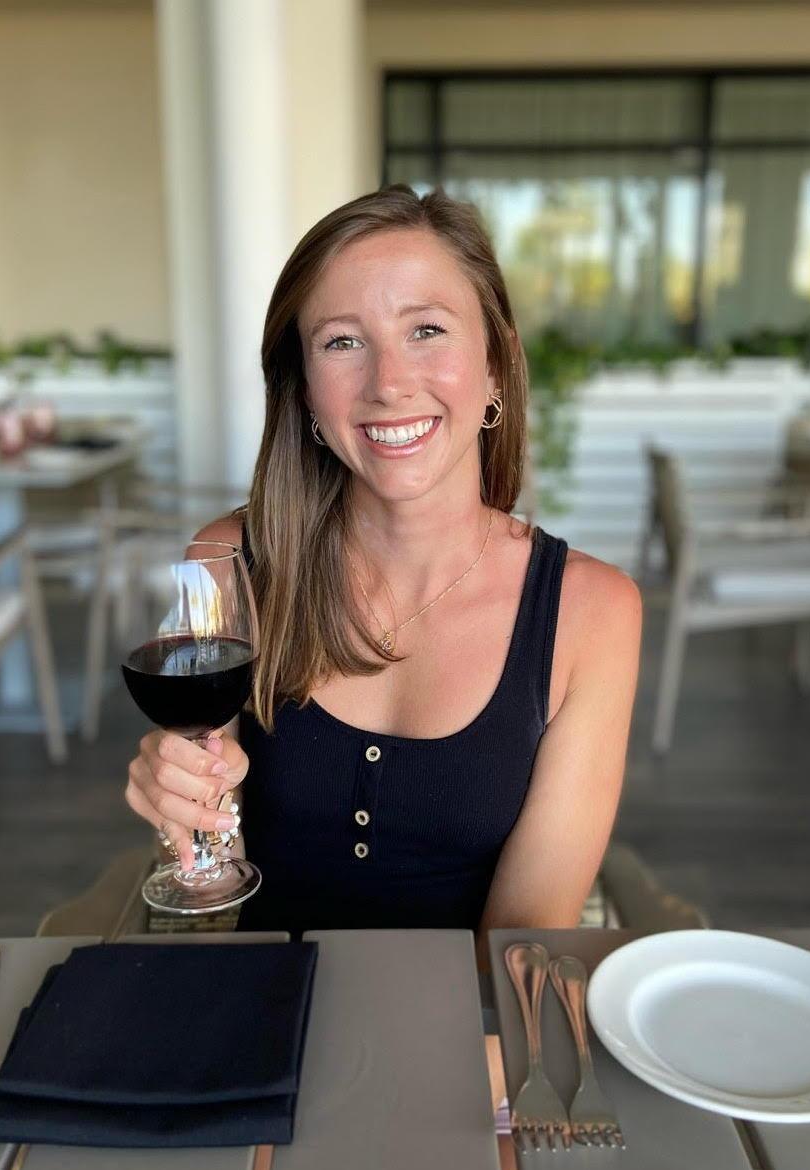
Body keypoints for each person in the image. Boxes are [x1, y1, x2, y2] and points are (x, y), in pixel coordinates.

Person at [125, 185, 641, 968]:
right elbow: (213, 878)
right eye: (342, 342)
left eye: (426, 330)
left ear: (496, 365)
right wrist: (187, 819)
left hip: (469, 1027)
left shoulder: (592, 611)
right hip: (263, 1007)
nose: (388, 382)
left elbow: (526, 935)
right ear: (303, 390)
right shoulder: (228, 562)